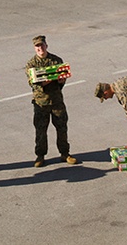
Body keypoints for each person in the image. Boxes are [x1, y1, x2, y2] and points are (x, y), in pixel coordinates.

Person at [24, 34, 77, 166]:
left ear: (46, 46)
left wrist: (61, 81)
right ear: (34, 48)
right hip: (41, 103)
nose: (40, 48)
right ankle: (40, 156)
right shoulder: (31, 64)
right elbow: (34, 84)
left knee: (62, 128)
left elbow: (61, 80)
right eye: (37, 46)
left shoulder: (56, 60)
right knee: (41, 131)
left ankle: (65, 153)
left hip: (57, 101)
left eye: (42, 45)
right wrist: (48, 80)